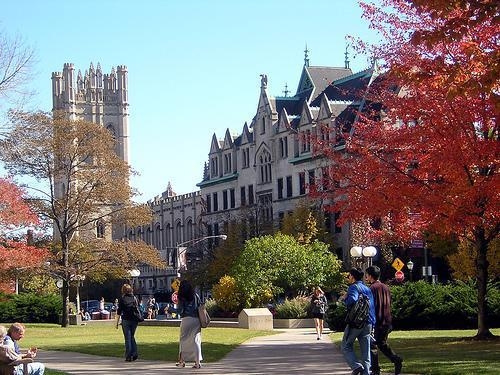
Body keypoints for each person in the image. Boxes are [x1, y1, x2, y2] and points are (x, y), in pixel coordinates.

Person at [365, 266, 403, 375]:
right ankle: (395, 360)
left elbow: (369, 306)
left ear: (371, 276)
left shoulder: (371, 289)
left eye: (367, 274)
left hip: (377, 321)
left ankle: (377, 369)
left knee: (373, 344)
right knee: (381, 343)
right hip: (387, 321)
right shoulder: (385, 287)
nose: (366, 276)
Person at [340, 268, 375, 375]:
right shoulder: (367, 288)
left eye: (349, 276)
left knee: (346, 345)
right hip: (368, 321)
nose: (348, 278)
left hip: (356, 322)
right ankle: (366, 372)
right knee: (366, 350)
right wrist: (373, 322)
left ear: (353, 277)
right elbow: (372, 306)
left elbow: (352, 300)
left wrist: (344, 298)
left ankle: (356, 366)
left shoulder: (353, 287)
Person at [176, 280, 202, 369]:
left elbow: (180, 310)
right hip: (196, 320)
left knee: (183, 340)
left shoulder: (181, 297)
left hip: (186, 319)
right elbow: (200, 306)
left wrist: (171, 309)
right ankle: (197, 363)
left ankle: (182, 361)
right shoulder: (195, 295)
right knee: (196, 341)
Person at [117, 284, 142, 362]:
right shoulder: (134, 298)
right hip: (134, 320)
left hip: (126, 320)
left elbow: (119, 311)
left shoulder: (122, 299)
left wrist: (116, 322)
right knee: (132, 336)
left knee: (127, 338)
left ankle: (128, 355)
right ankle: (134, 353)